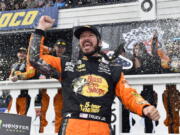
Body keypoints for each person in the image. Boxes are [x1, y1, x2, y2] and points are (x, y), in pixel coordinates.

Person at [28, 16, 160, 135]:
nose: (85, 38)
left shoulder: (112, 69)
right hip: (72, 127)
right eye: (82, 37)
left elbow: (128, 94)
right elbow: (35, 59)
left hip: (101, 128)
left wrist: (144, 107)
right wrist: (40, 30)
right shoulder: (66, 64)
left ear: (99, 42)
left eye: (90, 35)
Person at [9, 47, 31, 115]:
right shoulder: (14, 65)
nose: (21, 54)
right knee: (10, 114)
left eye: (24, 53)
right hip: (13, 94)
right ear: (17, 54)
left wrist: (18, 77)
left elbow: (30, 74)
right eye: (20, 52)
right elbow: (10, 75)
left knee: (22, 116)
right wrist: (10, 78)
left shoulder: (29, 63)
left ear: (27, 55)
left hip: (24, 94)